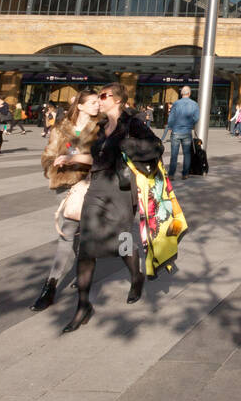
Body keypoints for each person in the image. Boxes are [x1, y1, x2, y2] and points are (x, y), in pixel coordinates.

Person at [63, 81, 158, 333]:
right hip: (96, 187)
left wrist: (131, 146)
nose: (100, 100)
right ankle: (83, 306)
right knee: (86, 245)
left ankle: (136, 276)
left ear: (116, 99)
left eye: (103, 96)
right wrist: (71, 158)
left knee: (123, 239)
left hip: (121, 190)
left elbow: (155, 147)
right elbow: (96, 157)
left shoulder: (133, 123)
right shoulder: (101, 126)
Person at [31, 89, 102, 312]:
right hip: (64, 186)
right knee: (73, 233)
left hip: (91, 185)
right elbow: (47, 155)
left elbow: (104, 158)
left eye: (97, 102)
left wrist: (78, 161)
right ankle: (70, 276)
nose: (96, 106)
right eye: (91, 102)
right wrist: (56, 165)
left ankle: (50, 287)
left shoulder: (101, 128)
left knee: (70, 233)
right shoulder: (61, 128)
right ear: (79, 105)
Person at [163, 86, 199, 178]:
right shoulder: (194, 104)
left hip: (176, 131)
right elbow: (196, 118)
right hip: (187, 131)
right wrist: (190, 124)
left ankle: (171, 174)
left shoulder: (176, 104)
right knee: (187, 154)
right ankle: (185, 174)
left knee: (174, 154)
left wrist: (170, 126)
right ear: (189, 93)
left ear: (181, 93)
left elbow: (171, 117)